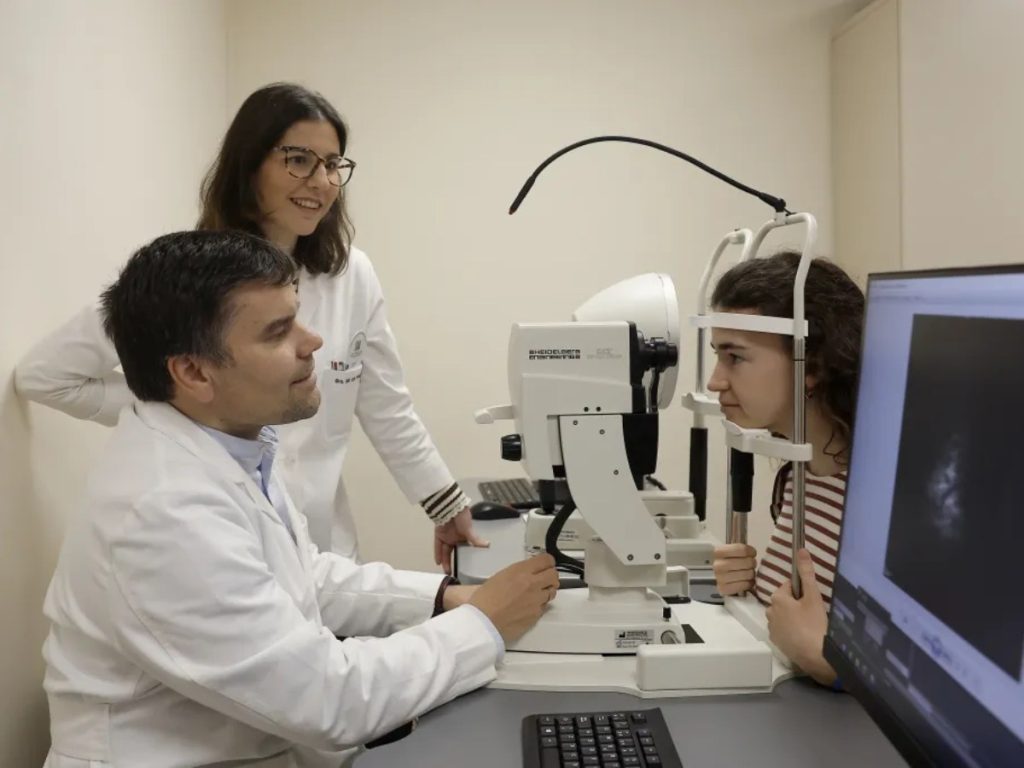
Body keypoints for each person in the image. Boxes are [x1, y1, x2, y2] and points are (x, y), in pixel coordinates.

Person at [41, 230, 559, 768]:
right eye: (278, 331)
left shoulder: (232, 442)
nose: (313, 342)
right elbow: (330, 700)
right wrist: (484, 626)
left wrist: (444, 598)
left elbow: (297, 575)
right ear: (194, 371)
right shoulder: (162, 511)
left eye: (299, 317)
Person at [15, 82, 481, 571]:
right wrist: (182, 401)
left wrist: (445, 504)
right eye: (299, 159)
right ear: (250, 163)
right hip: (221, 543)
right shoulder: (188, 280)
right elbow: (46, 376)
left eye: (332, 164)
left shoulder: (350, 274)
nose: (321, 182)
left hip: (324, 552)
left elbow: (386, 403)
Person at [707, 251, 864, 687]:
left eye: (735, 357)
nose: (715, 381)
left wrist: (828, 663)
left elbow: (929, 682)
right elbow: (802, 616)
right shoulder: (802, 474)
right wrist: (755, 588)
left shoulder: (880, 498)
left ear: (810, 366)